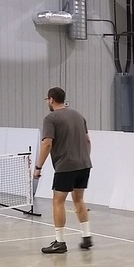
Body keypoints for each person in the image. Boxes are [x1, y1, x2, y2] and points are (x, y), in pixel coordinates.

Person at [34, 87, 93, 253]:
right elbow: (88, 141)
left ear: (52, 99)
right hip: (84, 164)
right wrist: (84, 158)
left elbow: (47, 143)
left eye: (47, 100)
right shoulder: (78, 115)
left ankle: (60, 242)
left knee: (58, 201)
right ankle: (86, 237)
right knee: (79, 199)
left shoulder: (51, 118)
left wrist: (38, 167)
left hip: (66, 166)